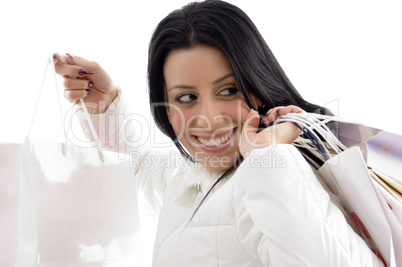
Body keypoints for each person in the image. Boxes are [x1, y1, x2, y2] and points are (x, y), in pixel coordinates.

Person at [54, 1, 383, 266]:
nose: (209, 119)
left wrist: (267, 155)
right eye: (186, 98)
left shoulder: (286, 172)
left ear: (259, 85)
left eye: (228, 91)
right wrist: (107, 103)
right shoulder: (193, 175)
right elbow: (139, 167)